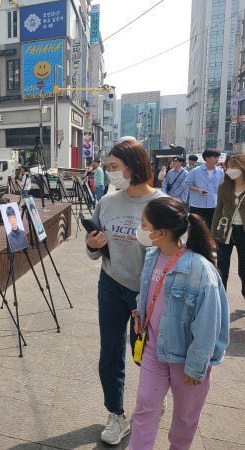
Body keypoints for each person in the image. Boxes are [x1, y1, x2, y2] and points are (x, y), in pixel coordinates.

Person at [129, 197, 229, 450]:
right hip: (153, 350)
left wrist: (197, 366)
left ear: (160, 233)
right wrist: (142, 311)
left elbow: (209, 324)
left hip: (187, 359)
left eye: (143, 224)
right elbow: (151, 290)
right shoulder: (152, 256)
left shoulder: (200, 270)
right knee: (144, 409)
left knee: (185, 418)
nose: (139, 229)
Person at [85, 139, 165, 445]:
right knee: (110, 354)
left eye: (115, 167)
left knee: (143, 354)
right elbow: (96, 249)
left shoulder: (161, 204)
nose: (109, 171)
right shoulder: (106, 202)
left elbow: (172, 253)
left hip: (147, 292)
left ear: (133, 167)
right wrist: (93, 246)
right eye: (108, 166)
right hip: (110, 285)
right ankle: (116, 415)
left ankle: (154, 397)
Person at [212, 152, 245, 298]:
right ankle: (221, 301)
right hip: (225, 231)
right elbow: (218, 210)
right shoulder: (223, 187)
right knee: (222, 269)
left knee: (243, 271)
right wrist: (213, 235)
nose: (229, 169)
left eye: (233, 166)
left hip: (243, 232)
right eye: (227, 166)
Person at [183, 149, 224, 229]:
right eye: (215, 157)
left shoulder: (220, 171)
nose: (217, 159)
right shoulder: (195, 171)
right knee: (196, 229)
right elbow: (187, 184)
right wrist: (198, 190)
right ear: (207, 158)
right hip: (197, 205)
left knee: (211, 229)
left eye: (218, 157)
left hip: (213, 205)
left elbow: (221, 187)